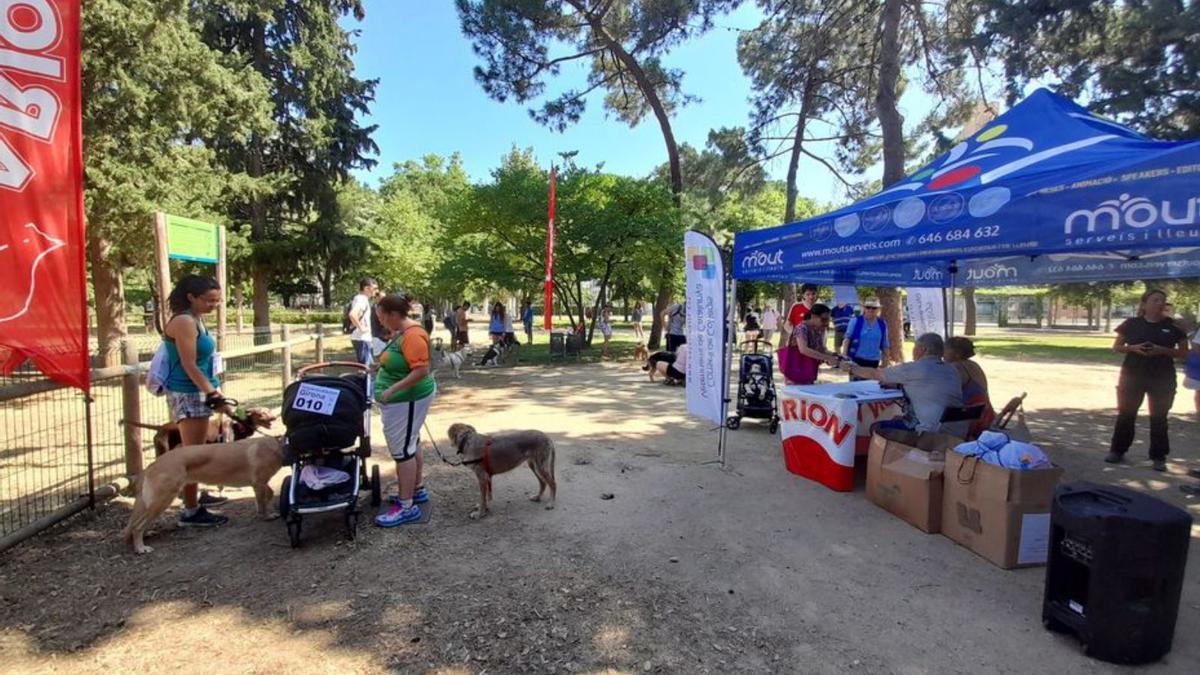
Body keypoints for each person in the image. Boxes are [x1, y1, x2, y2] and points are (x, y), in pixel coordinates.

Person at [161, 275, 237, 527]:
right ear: (191, 297)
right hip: (188, 392)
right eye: (209, 300)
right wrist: (213, 396)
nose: (214, 305)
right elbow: (189, 364)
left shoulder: (197, 319)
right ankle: (190, 511)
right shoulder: (183, 321)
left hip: (201, 390)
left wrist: (214, 390)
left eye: (218, 300)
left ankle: (194, 495)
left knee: (200, 449)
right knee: (192, 453)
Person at [1105, 289, 1189, 471]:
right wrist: (1133, 348)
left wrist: (1162, 350)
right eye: (1155, 300)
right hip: (1132, 375)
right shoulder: (1131, 324)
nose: (1160, 304)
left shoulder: (1174, 326)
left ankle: (1159, 456)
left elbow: (1184, 352)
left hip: (1162, 377)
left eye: (1163, 301)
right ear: (1144, 305)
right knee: (1126, 414)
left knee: (1159, 417)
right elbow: (1117, 347)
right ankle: (1117, 450)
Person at [373, 294, 437, 527]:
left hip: (408, 399)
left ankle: (406, 505)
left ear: (393, 315)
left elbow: (420, 370)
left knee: (403, 452)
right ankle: (416, 488)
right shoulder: (403, 333)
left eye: (381, 316)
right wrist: (382, 365)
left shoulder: (413, 335)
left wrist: (391, 390)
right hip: (403, 401)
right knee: (411, 442)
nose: (380, 321)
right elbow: (401, 359)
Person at [842, 333, 965, 434]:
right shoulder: (952, 369)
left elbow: (875, 374)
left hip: (929, 431)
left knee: (877, 427)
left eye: (915, 347)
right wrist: (899, 385)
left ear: (922, 350)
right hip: (956, 430)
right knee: (899, 419)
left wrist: (850, 368)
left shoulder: (916, 368)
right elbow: (931, 386)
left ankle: (885, 462)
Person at [945, 336, 995, 438]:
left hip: (972, 417)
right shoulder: (973, 365)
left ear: (957, 354)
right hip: (986, 413)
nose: (943, 354)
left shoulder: (956, 368)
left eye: (945, 350)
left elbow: (945, 393)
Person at [788, 303, 839, 385]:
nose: (826, 323)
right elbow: (803, 350)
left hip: (810, 369)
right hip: (797, 369)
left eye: (828, 320)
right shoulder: (802, 328)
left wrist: (835, 355)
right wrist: (827, 358)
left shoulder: (819, 329)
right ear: (813, 316)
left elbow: (821, 349)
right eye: (824, 319)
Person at [841, 298, 889, 380]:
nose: (870, 310)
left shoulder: (882, 324)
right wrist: (844, 358)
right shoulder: (855, 321)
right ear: (864, 308)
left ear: (878, 309)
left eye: (874, 308)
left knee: (871, 387)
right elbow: (847, 340)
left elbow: (885, 344)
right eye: (868, 307)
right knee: (855, 387)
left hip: (873, 362)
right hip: (856, 361)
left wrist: (885, 362)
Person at [348, 277, 377, 364]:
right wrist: (362, 328)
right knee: (366, 369)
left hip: (362, 338)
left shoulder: (360, 299)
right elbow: (352, 314)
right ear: (366, 288)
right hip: (362, 338)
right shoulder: (362, 299)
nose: (376, 291)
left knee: (367, 368)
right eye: (374, 288)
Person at [782, 284, 818, 349]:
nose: (811, 297)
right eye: (808, 294)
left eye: (813, 294)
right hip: (796, 345)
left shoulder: (820, 309)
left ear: (816, 294)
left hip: (813, 346)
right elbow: (787, 325)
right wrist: (796, 334)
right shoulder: (796, 306)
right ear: (803, 295)